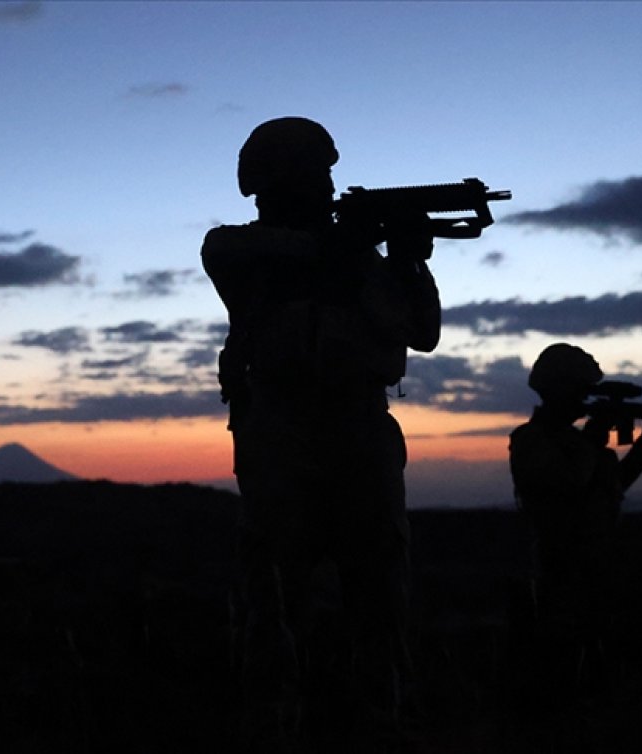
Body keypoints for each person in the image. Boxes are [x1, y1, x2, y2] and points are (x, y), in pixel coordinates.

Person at [201, 117, 440, 752]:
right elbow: (266, 262)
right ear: (264, 184)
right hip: (280, 427)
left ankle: (376, 718)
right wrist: (351, 248)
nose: (326, 186)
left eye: (327, 174)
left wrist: (406, 259)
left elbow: (421, 331)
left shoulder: (358, 258)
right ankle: (278, 722)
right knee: (278, 591)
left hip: (359, 424)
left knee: (379, 588)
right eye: (312, 174)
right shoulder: (237, 248)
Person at [507, 343, 642, 747]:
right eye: (577, 390)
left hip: (597, 570)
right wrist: (592, 441)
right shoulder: (531, 440)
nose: (583, 399)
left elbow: (610, 490)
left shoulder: (577, 443)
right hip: (558, 572)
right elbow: (569, 483)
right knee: (558, 681)